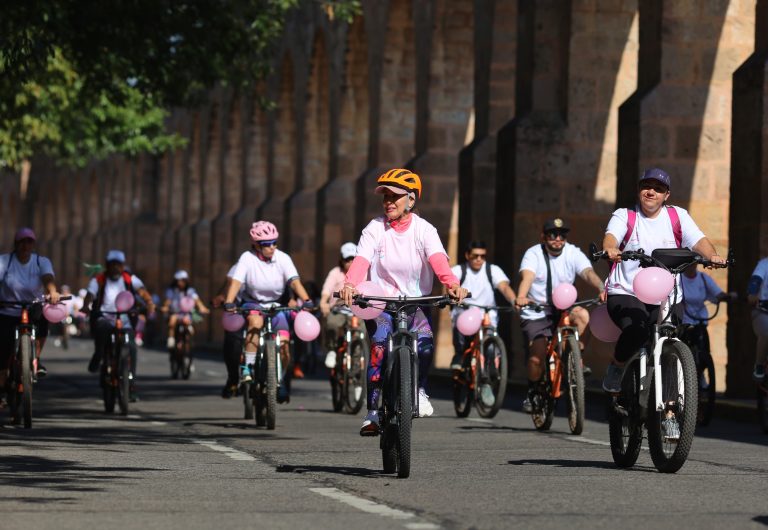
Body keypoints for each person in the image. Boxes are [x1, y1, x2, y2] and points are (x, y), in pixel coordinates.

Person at [339, 168, 469, 436]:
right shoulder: (375, 228)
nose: (388, 201)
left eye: (395, 196)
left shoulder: (425, 230)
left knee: (425, 343)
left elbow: (438, 261)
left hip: (415, 303)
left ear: (411, 199)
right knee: (378, 349)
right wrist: (350, 284)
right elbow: (361, 260)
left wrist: (452, 284)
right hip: (380, 303)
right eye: (385, 196)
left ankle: (419, 390)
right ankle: (373, 411)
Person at [601, 168, 725, 406]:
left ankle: (669, 411)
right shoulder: (625, 216)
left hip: (668, 295)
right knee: (636, 331)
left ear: (666, 195)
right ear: (639, 190)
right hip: (627, 292)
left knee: (670, 346)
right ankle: (617, 366)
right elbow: (611, 237)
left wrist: (712, 255)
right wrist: (611, 248)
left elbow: (698, 241)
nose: (651, 192)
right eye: (647, 187)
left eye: (658, 189)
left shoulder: (677, 216)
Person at [515, 218, 605, 413]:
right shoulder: (533, 254)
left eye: (562, 235)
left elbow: (588, 272)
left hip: (566, 305)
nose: (557, 239)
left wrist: (601, 287)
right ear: (544, 237)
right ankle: (533, 391)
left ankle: (574, 358)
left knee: (582, 315)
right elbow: (528, 277)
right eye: (552, 235)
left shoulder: (572, 252)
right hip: (538, 309)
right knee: (536, 358)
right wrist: (521, 296)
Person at [223, 221, 314, 404]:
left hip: (276, 305)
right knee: (255, 324)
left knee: (285, 345)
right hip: (254, 303)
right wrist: (229, 301)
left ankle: (278, 379)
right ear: (256, 245)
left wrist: (306, 299)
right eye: (266, 244)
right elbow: (236, 282)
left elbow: (294, 281)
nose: (272, 247)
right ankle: (248, 366)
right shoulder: (247, 258)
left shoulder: (283, 258)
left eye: (274, 243)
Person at [82, 250, 156, 401]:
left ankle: (131, 386)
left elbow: (143, 292)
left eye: (118, 264)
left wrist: (149, 303)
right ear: (107, 265)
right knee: (101, 338)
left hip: (125, 319)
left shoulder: (130, 279)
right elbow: (90, 295)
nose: (115, 267)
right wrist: (86, 306)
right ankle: (98, 356)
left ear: (123, 266)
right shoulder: (99, 279)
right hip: (104, 317)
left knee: (132, 348)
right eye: (112, 264)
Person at [449, 240, 516, 404]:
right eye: (475, 256)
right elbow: (450, 286)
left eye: (483, 256)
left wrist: (514, 300)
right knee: (462, 336)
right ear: (467, 256)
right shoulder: (458, 270)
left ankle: (487, 378)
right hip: (465, 314)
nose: (479, 259)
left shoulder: (492, 270)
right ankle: (459, 356)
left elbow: (504, 287)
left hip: (487, 316)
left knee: (491, 347)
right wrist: (453, 296)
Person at [0, 228, 61, 391]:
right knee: (3, 351)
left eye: (29, 242)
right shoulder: (5, 261)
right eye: (22, 242)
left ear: (33, 244)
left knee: (43, 320)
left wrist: (52, 291)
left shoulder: (41, 261)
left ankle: (36, 358)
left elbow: (48, 277)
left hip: (33, 307)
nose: (26, 245)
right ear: (16, 244)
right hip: (8, 309)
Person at [320, 242, 358, 369]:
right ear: (341, 260)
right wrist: (323, 302)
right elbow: (327, 288)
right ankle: (331, 350)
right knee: (332, 324)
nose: (351, 262)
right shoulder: (336, 272)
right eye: (347, 259)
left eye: (354, 259)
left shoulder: (363, 273)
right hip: (339, 309)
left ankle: (359, 365)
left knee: (363, 331)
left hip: (358, 312)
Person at [212, 264, 245, 398]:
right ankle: (233, 378)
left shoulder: (277, 262)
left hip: (263, 310)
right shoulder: (239, 266)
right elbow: (229, 287)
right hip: (238, 311)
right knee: (231, 341)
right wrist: (223, 298)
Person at [161, 269, 210, 351]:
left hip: (187, 314)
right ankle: (171, 339)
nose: (181, 283)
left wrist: (202, 308)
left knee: (189, 324)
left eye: (183, 281)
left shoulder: (190, 291)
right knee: (172, 321)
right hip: (175, 313)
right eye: (179, 281)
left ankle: (189, 343)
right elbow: (168, 301)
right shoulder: (172, 291)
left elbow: (197, 300)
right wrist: (165, 307)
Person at [748, 257, 768, 380]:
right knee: (766, 333)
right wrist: (752, 293)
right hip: (763, 309)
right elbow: (756, 280)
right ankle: (759, 365)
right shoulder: (764, 264)